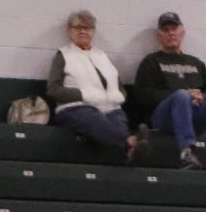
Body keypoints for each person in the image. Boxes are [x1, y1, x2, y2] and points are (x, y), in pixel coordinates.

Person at [131, 12, 206, 172]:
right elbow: (143, 96)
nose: (171, 33)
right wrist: (181, 95)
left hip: (195, 115)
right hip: (164, 117)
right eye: (166, 30)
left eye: (174, 28)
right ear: (159, 36)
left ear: (182, 33)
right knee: (181, 96)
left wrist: (202, 96)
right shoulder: (151, 62)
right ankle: (187, 153)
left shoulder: (196, 63)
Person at [45, 10, 147, 165]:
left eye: (87, 28)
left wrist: (118, 96)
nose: (83, 31)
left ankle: (131, 149)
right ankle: (130, 143)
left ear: (93, 32)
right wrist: (84, 95)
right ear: (69, 31)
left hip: (109, 107)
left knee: (118, 119)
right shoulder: (63, 55)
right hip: (74, 108)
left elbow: (118, 86)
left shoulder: (102, 55)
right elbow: (53, 89)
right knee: (94, 118)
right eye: (77, 27)